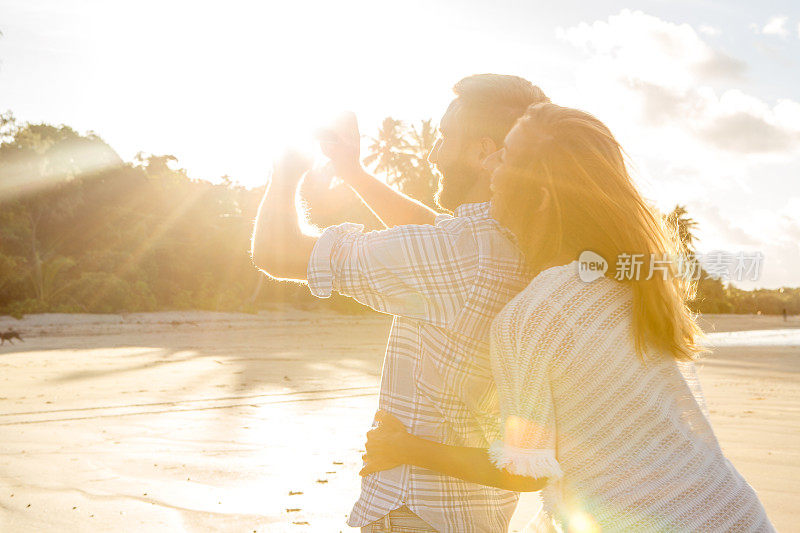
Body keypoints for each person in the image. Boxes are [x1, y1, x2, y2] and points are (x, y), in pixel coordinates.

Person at [362, 103, 775, 532]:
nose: (489, 165)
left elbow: (525, 470)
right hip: (736, 515)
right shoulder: (621, 280)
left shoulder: (531, 317)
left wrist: (405, 446)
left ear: (539, 198)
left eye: (503, 157)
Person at [251, 74, 550, 532]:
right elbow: (435, 232)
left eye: (444, 138)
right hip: (479, 515)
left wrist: (285, 171)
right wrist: (352, 172)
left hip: (414, 515)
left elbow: (275, 252)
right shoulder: (523, 247)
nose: (431, 153)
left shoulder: (454, 256)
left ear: (483, 152)